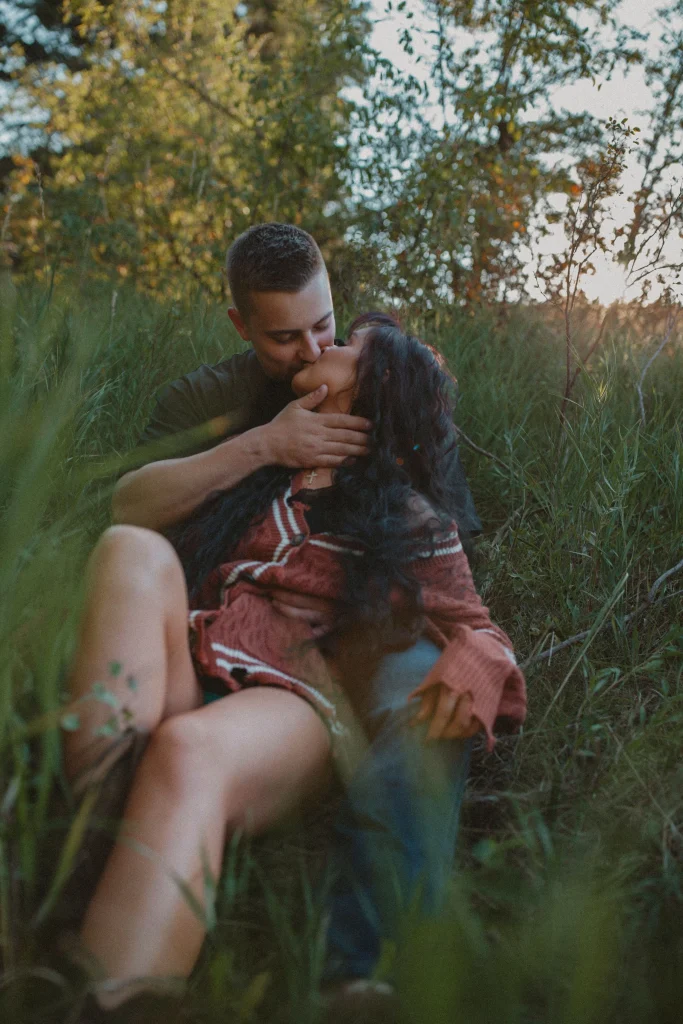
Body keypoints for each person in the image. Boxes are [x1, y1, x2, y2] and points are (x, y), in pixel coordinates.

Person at [62, 312, 525, 1023]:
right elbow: (128, 505)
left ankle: (110, 996)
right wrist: (263, 446)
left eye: (345, 347)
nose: (323, 347)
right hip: (190, 667)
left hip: (293, 700)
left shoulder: (403, 514)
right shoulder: (261, 476)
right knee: (128, 548)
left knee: (189, 749)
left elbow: (476, 626)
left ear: (373, 387)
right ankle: (94, 828)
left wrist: (480, 662)